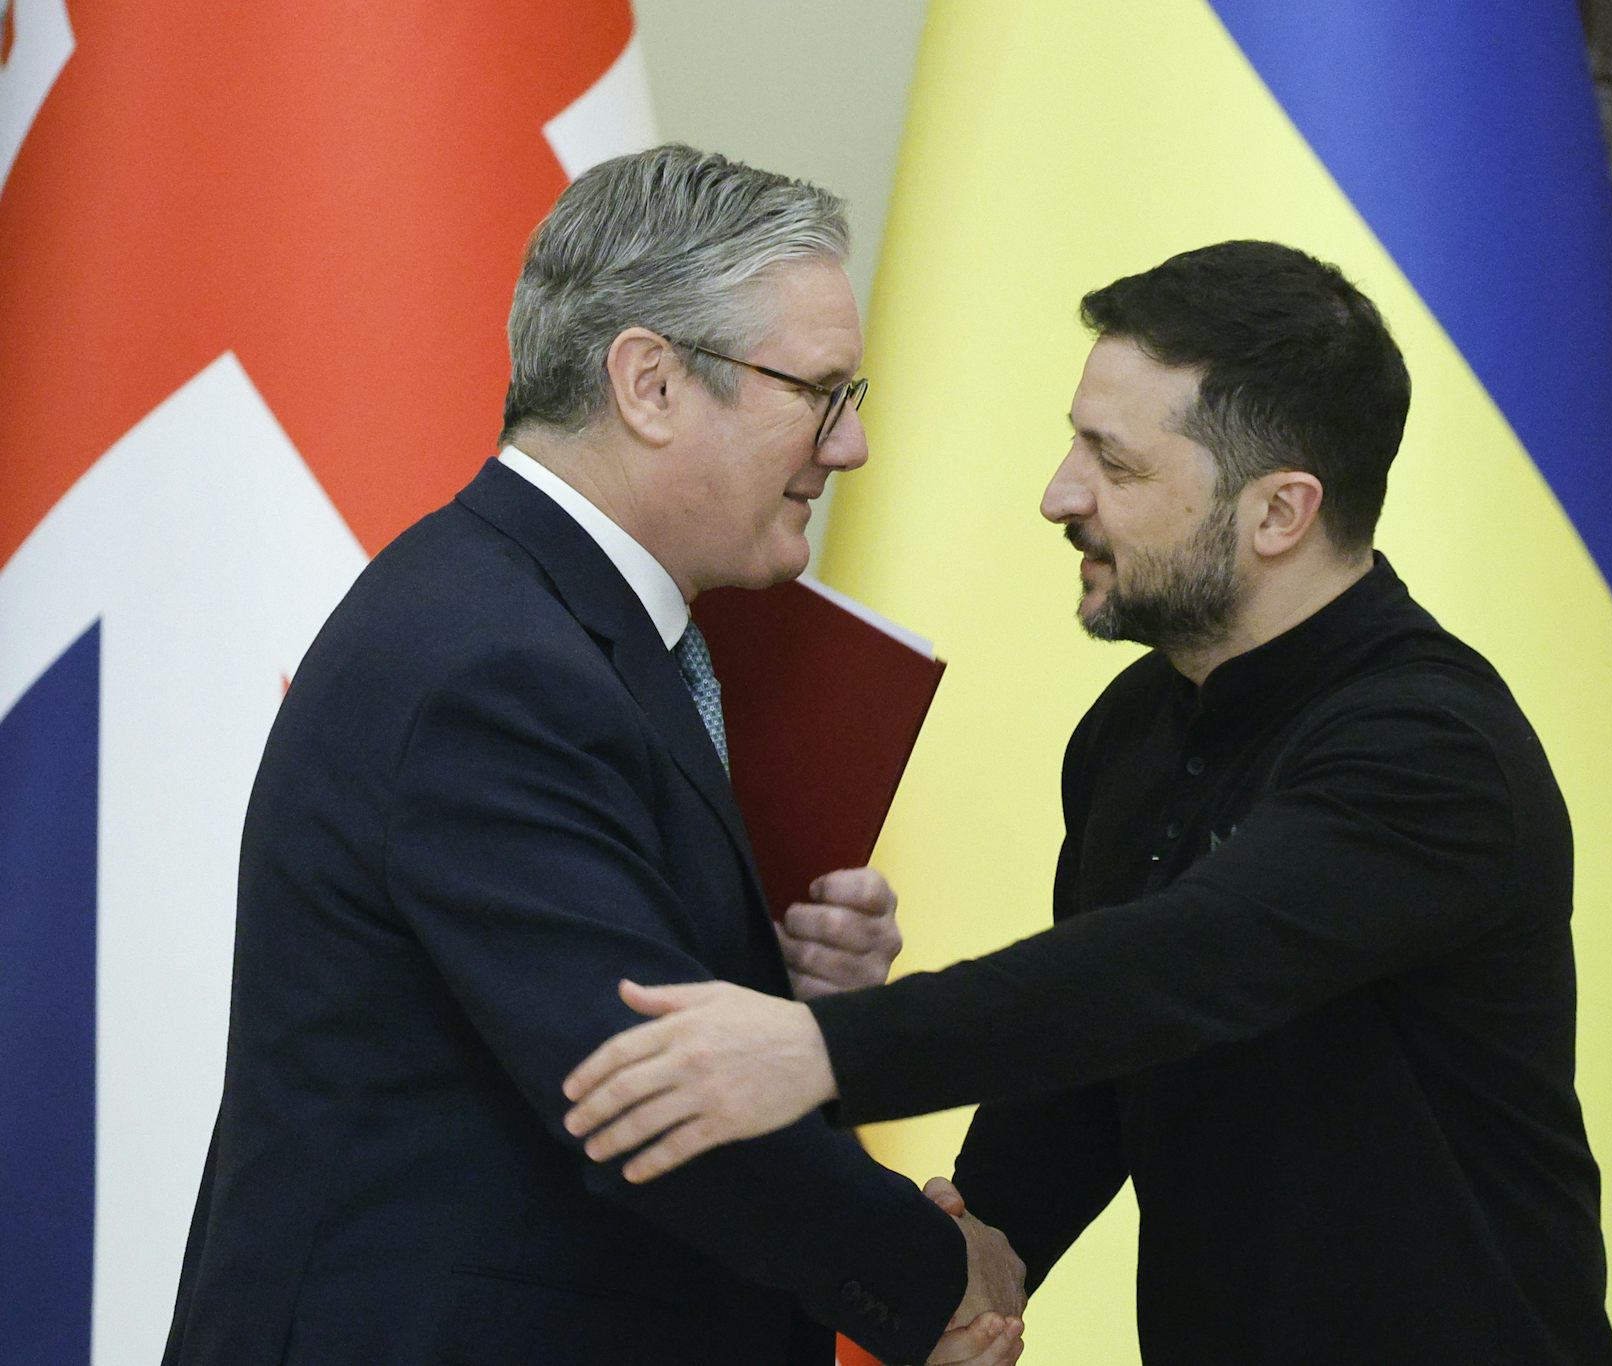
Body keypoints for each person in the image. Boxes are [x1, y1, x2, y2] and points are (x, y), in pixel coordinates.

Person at [559, 241, 1612, 1364]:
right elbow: (1096, 1062)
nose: (1060, 495)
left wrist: (815, 1046)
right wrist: (981, 1252)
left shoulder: (1433, 751)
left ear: (1280, 512)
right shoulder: (1132, 726)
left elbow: (1172, 969)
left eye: (1114, 467)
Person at [162, 146, 1026, 1366]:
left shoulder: (559, 623)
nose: (852, 447)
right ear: (651, 384)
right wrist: (937, 1277)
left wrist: (799, 1001)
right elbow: (648, 1089)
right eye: (822, 394)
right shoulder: (494, 666)